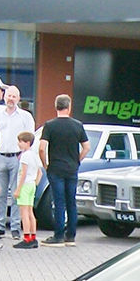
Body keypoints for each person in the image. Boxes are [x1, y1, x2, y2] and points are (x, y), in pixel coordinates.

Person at [39, 94, 90, 246]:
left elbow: (42, 148)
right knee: (71, 202)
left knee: (59, 202)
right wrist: (77, 160)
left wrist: (46, 164)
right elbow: (87, 147)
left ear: (56, 106)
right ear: (69, 107)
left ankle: (58, 236)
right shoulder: (77, 125)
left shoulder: (49, 125)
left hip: (55, 168)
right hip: (72, 168)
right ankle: (71, 236)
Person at [0, 85, 34, 237]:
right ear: (4, 97)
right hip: (0, 156)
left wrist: (24, 155)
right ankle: (0, 226)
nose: (11, 99)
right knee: (0, 193)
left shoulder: (25, 117)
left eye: (14, 96)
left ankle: (16, 227)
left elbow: (31, 137)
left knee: (17, 193)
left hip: (18, 158)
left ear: (18, 99)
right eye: (9, 96)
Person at [12, 131, 44, 249]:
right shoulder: (34, 155)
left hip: (25, 185)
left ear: (28, 143)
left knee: (24, 213)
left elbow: (23, 173)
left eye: (21, 141)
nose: (19, 144)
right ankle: (33, 237)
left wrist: (18, 189)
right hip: (31, 185)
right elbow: (39, 172)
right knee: (30, 212)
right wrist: (35, 183)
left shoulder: (24, 156)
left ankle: (26, 238)